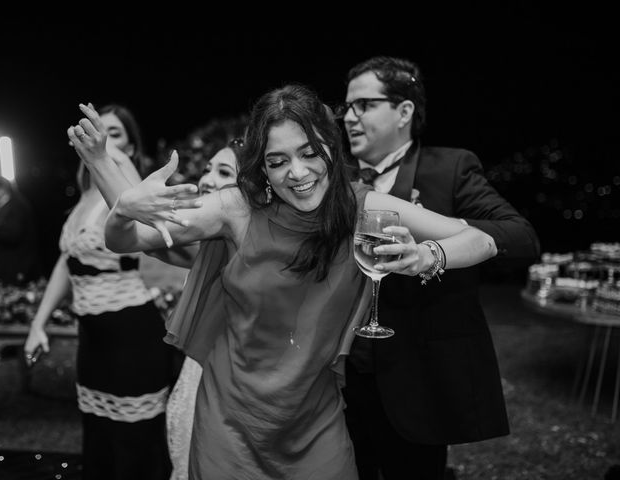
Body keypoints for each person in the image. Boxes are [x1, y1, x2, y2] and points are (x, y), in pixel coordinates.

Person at [68, 84, 498, 480]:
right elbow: (129, 239)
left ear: (331, 146)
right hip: (230, 426)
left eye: (310, 152)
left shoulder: (365, 208)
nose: (297, 172)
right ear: (262, 168)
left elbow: (480, 239)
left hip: (317, 427)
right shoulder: (234, 208)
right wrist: (121, 201)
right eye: (277, 161)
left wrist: (427, 255)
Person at [338, 56, 541, 480]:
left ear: (404, 111)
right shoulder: (335, 178)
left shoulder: (450, 168)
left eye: (364, 105)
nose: (349, 118)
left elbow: (520, 237)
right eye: (347, 108)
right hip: (340, 381)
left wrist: (435, 251)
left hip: (419, 381)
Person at [25, 104, 173, 480]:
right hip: (92, 343)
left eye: (115, 133)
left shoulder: (129, 191)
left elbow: (143, 222)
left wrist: (109, 158)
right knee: (99, 444)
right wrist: (38, 324)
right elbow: (66, 262)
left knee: (134, 449)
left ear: (131, 146)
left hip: (132, 338)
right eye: (95, 129)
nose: (102, 138)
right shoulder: (84, 199)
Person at [163, 140, 241, 480]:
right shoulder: (209, 248)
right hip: (197, 372)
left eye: (224, 172)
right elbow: (147, 239)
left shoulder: (241, 249)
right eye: (207, 169)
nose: (207, 179)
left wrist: (109, 159)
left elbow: (148, 235)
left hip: (232, 384)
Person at [0, 176, 38, 285]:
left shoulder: (16, 205)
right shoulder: (2, 206)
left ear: (1, 188)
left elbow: (11, 234)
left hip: (16, 270)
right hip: (3, 271)